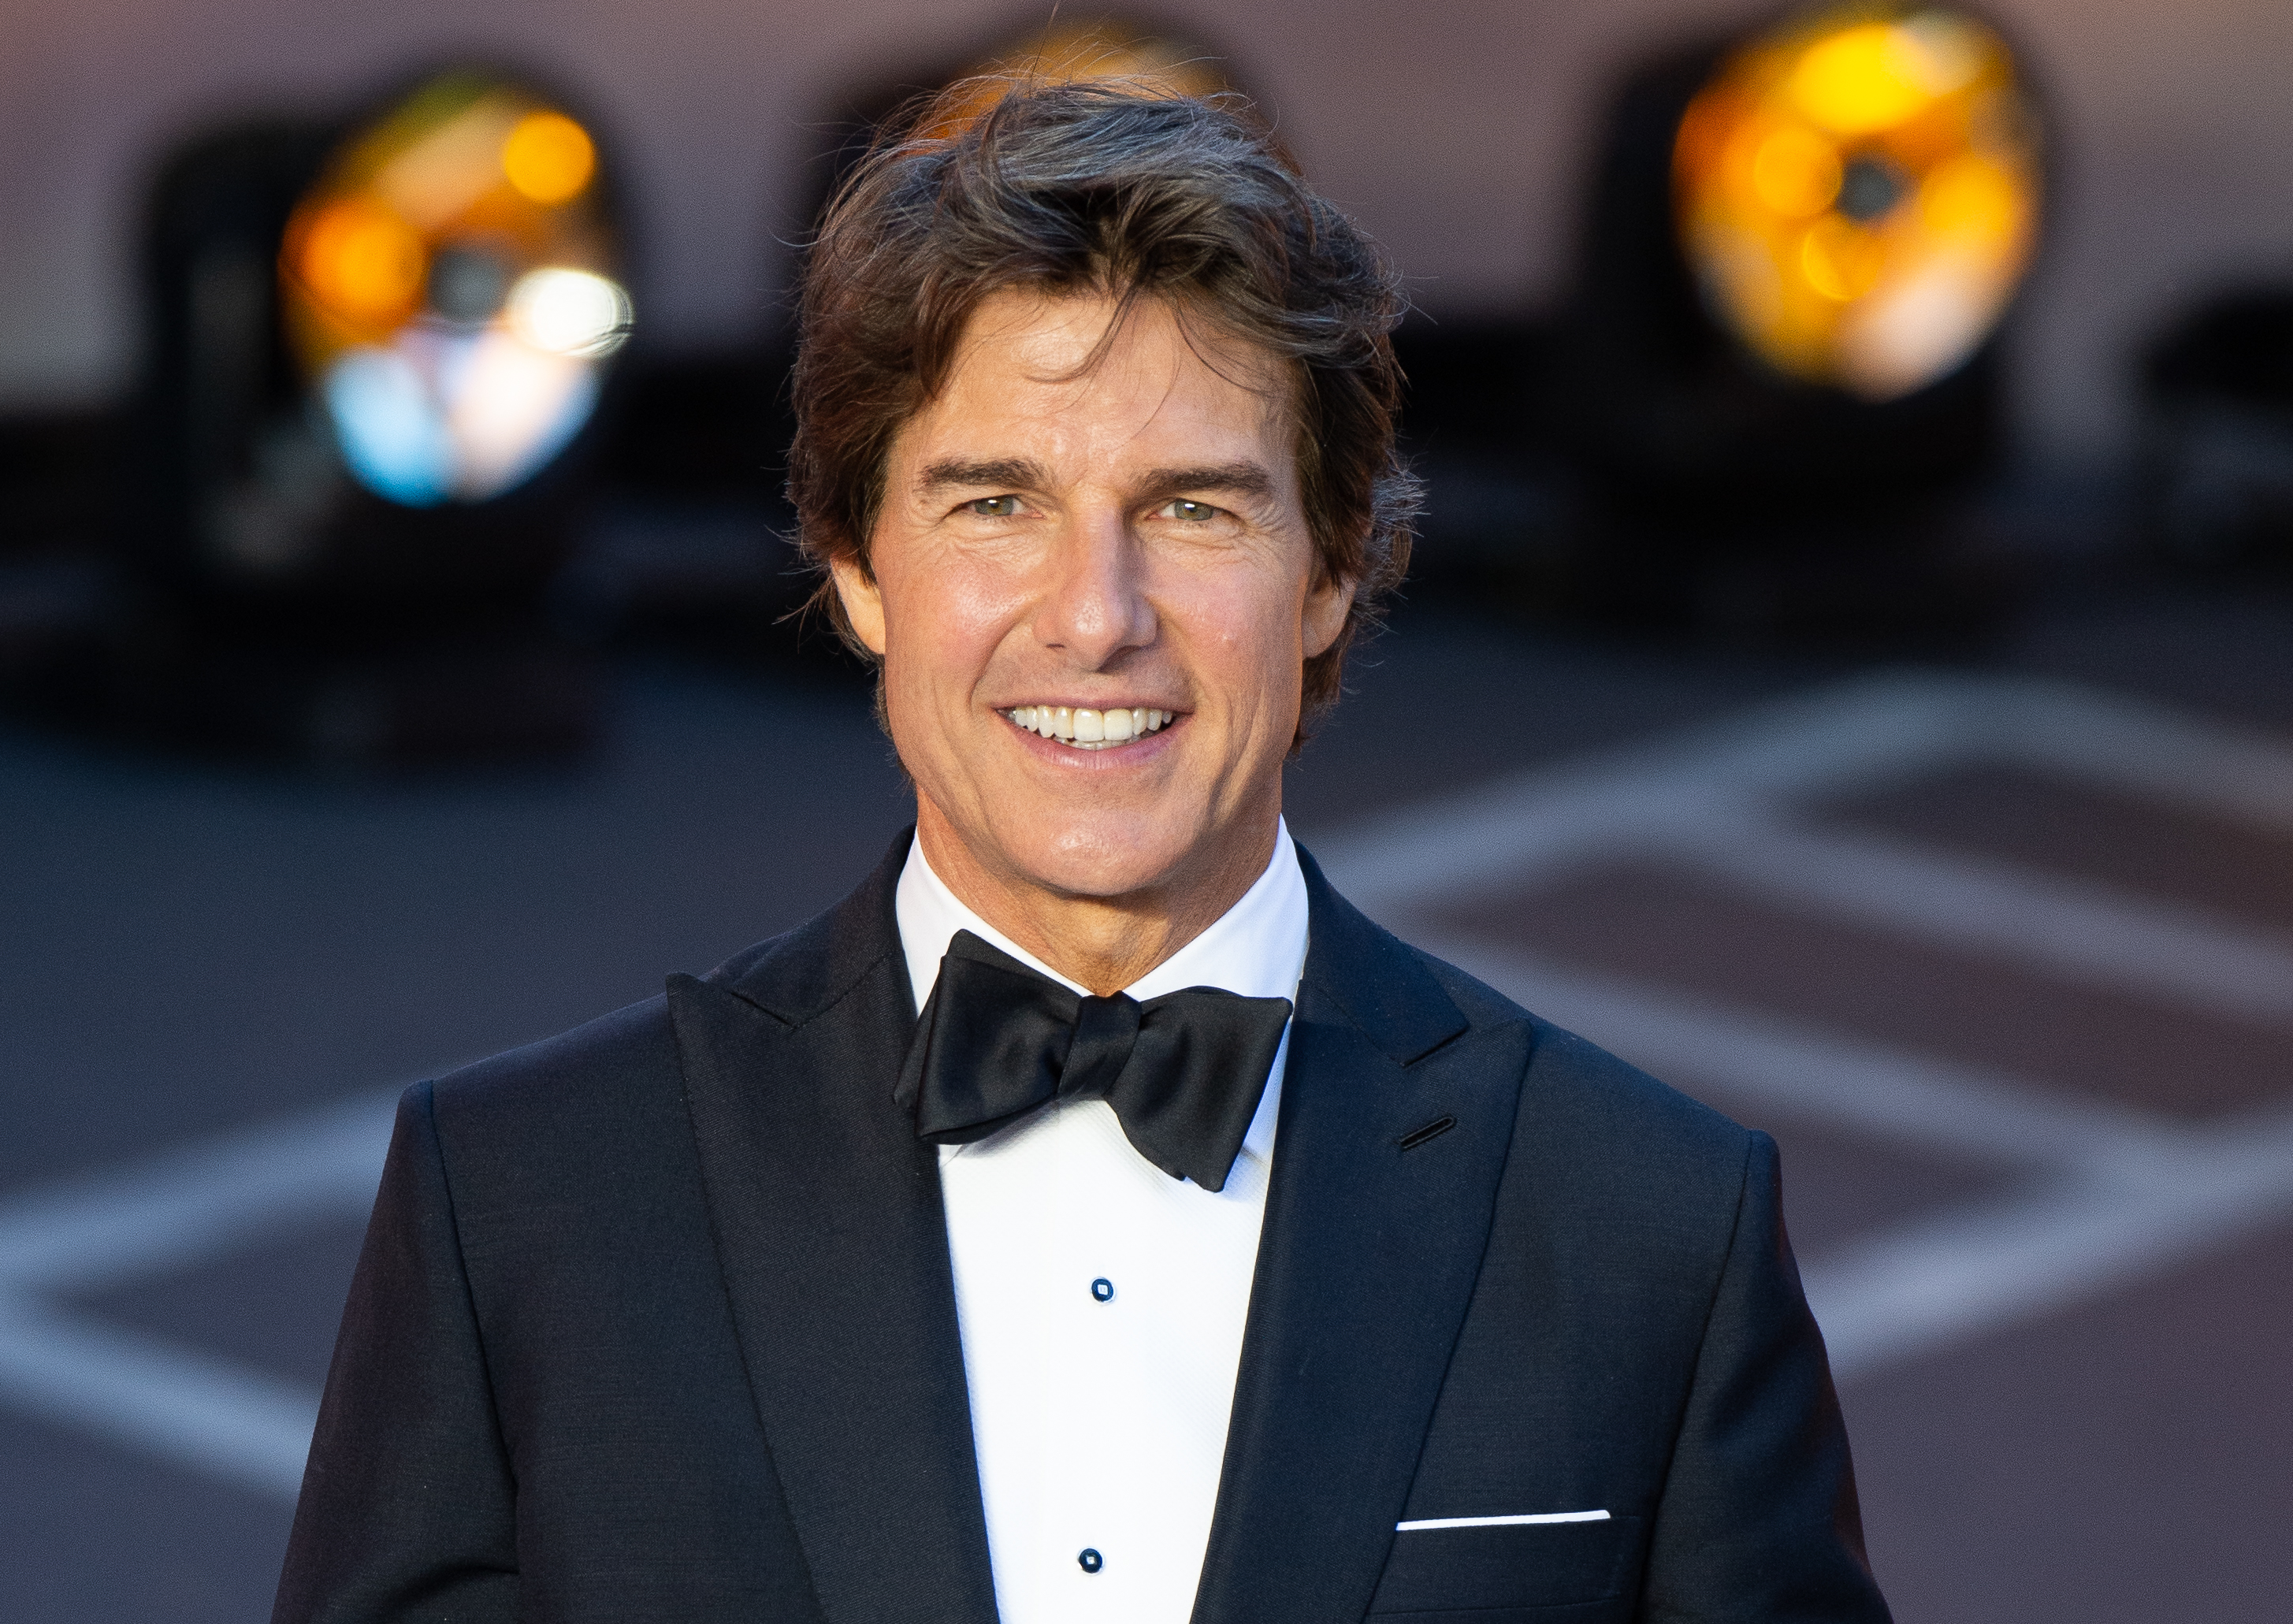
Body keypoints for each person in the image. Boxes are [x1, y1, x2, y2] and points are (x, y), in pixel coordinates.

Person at [272, 81, 1890, 1624]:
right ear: (855, 568)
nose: (1096, 618)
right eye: (995, 504)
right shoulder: (523, 1211)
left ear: (1329, 572)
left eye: (1194, 510)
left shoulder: (1646, 1229)